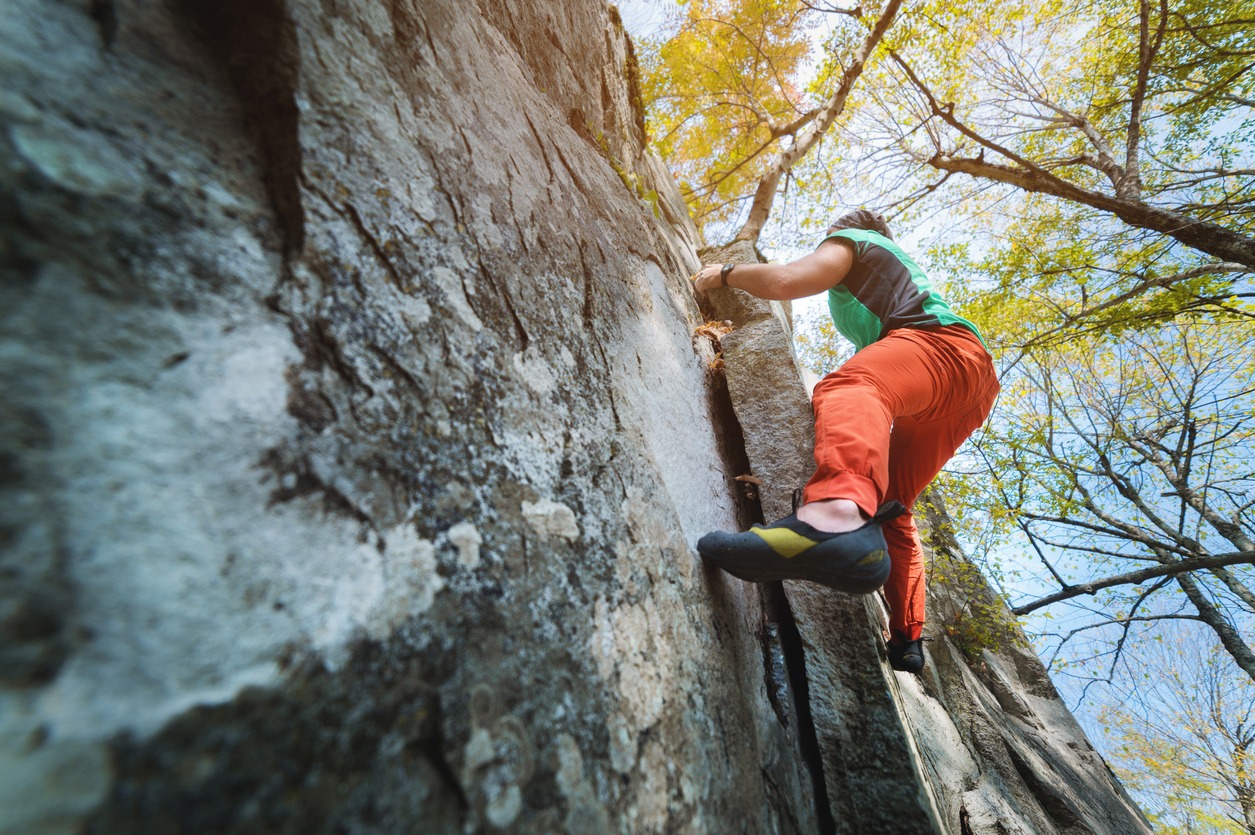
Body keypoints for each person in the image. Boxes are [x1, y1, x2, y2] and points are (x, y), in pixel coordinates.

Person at [692, 209, 999, 674]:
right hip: (968, 387)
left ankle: (833, 518)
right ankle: (908, 638)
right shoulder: (890, 284)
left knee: (849, 387)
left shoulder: (855, 242)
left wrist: (724, 274)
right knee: (893, 505)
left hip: (940, 348)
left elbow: (785, 281)